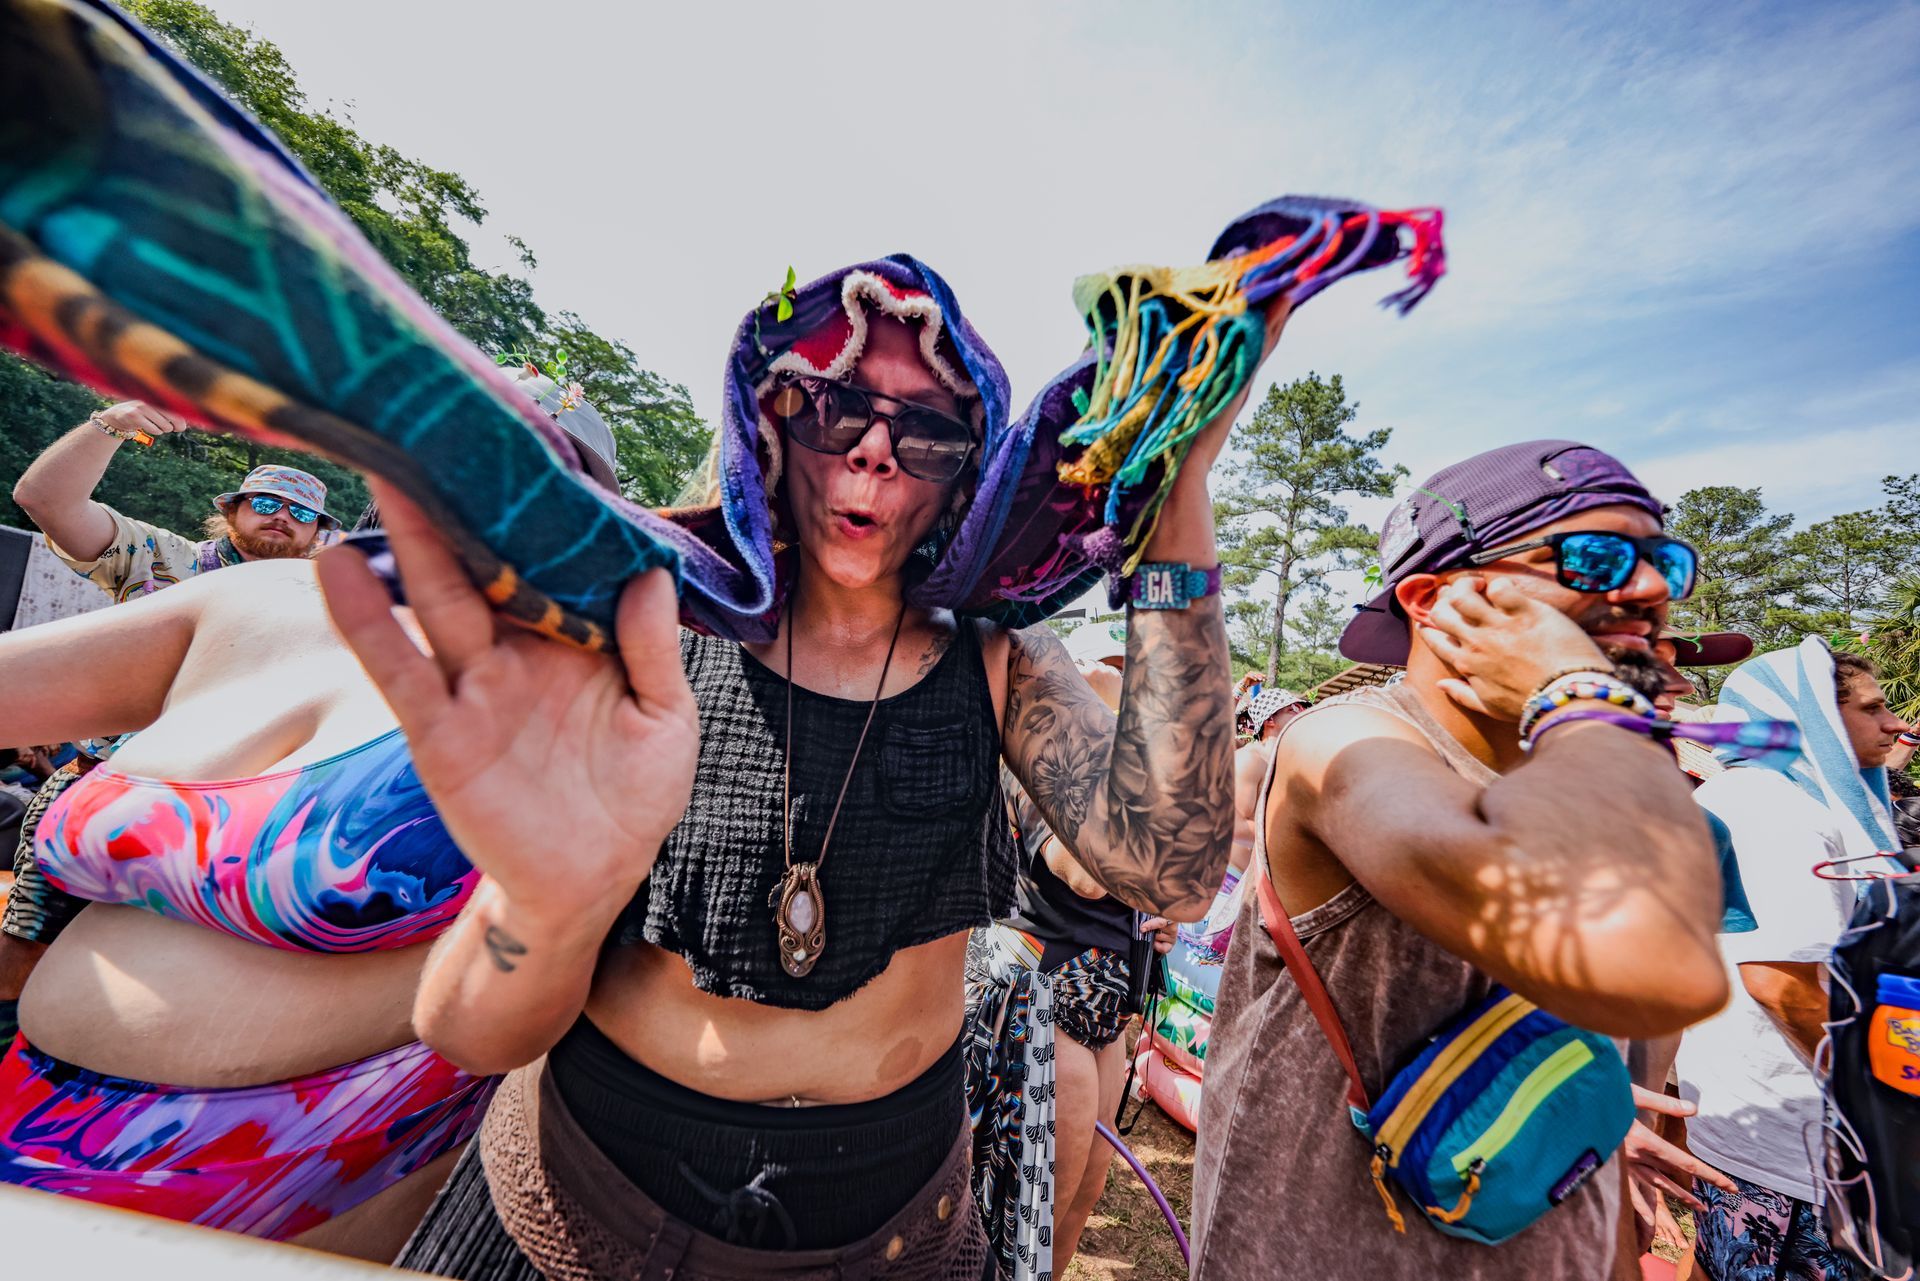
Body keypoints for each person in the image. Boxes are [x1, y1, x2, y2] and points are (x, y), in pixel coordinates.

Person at [349, 264, 1260, 1280]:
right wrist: (543, 903)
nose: (876, 449)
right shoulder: (651, 629)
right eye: (838, 408)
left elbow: (1174, 870)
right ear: (771, 425)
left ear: (969, 476)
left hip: (894, 1230)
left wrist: (1176, 499)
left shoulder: (1001, 662)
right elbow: (466, 1031)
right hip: (583, 1209)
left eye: (928, 434)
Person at [0, 372, 615, 1258]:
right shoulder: (251, 596)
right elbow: (47, 510)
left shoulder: (584, 709)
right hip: (22, 1129)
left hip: (273, 1212)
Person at [1190, 440, 1730, 1279]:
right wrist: (1582, 693)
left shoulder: (1589, 767)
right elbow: (1656, 966)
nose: (1654, 588)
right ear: (1433, 599)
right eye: (1595, 557)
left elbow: (1616, 1033)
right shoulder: (1346, 742)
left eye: (1668, 560)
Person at [1677, 643, 1909, 1281]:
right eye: (1872, 708)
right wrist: (1882, 1097)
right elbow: (1782, 984)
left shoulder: (1767, 798)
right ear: (1812, 718)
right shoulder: (1779, 812)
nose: (1893, 723)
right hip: (1794, 1134)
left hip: (1766, 1116)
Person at [965, 650, 1175, 1279]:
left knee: (1083, 1196)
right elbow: (1084, 873)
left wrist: (1161, 914)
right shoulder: (1041, 767)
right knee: (1033, 1213)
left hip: (1109, 1005)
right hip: (1045, 1001)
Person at [12, 398, 338, 600]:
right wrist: (111, 424)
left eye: (302, 513)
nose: (282, 516)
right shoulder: (157, 557)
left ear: (316, 532)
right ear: (231, 512)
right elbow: (46, 500)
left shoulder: (326, 601)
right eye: (265, 504)